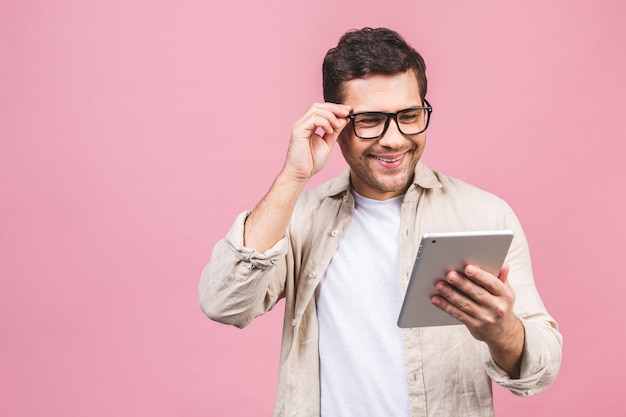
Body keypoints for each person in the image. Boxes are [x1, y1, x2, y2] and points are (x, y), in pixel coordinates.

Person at [199, 27, 562, 417]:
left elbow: (541, 369)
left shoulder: (486, 214)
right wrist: (293, 176)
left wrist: (500, 330)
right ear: (335, 124)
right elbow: (224, 303)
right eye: (371, 120)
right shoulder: (298, 217)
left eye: (409, 115)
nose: (394, 139)